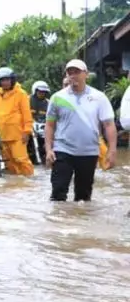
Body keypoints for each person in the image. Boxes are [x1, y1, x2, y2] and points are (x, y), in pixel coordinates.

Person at [45, 59, 117, 201]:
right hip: (63, 150)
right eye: (69, 72)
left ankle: (80, 221)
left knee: (83, 197)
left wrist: (112, 150)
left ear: (86, 75)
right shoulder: (57, 97)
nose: (73, 75)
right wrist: (48, 149)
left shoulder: (99, 98)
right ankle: (58, 223)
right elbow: (50, 125)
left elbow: (109, 125)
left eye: (77, 72)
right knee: (58, 192)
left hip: (88, 152)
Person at [27, 80, 51, 165]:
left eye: (44, 92)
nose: (42, 93)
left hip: (42, 129)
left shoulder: (49, 103)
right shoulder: (27, 100)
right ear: (35, 91)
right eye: (40, 91)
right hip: (28, 128)